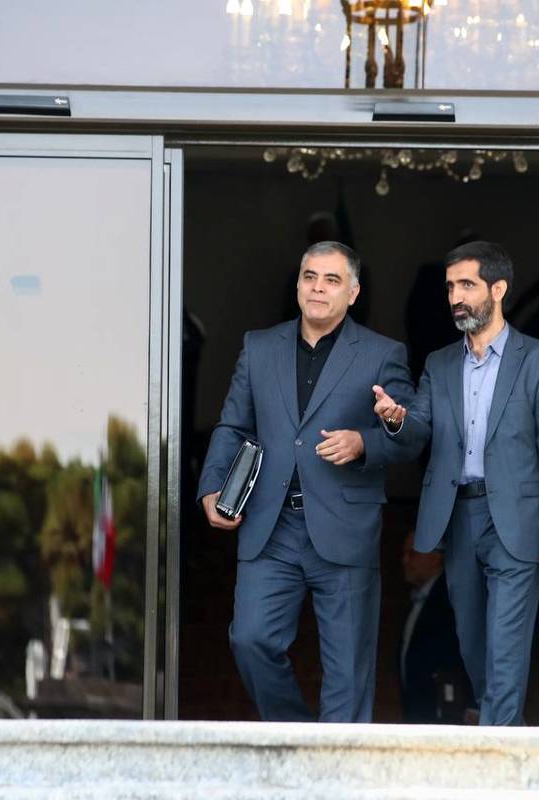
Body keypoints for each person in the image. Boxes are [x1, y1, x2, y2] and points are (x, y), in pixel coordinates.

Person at [198, 241, 418, 722]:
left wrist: (366, 440)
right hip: (271, 525)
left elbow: (411, 435)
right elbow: (233, 426)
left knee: (349, 672)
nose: (318, 288)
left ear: (353, 293)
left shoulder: (383, 354)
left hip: (345, 525)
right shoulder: (259, 347)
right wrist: (212, 485)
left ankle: (335, 764)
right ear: (298, 284)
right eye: (309, 277)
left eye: (332, 280)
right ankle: (297, 737)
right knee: (250, 639)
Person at [372, 240, 539, 725]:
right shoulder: (439, 364)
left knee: (505, 649)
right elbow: (418, 428)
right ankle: (507, 736)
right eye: (450, 287)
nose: (455, 297)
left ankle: (494, 750)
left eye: (466, 285)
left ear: (498, 289)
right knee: (474, 648)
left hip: (516, 520)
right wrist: (396, 419)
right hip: (459, 519)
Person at [398, 531, 473, 724]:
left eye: (412, 554)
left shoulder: (450, 597)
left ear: (436, 557)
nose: (405, 561)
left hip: (446, 715)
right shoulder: (418, 598)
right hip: (419, 713)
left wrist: (471, 704)